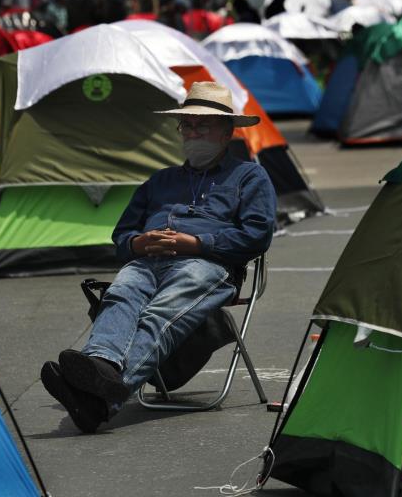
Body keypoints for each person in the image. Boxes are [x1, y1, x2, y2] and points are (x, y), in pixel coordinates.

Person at [40, 82, 277, 433]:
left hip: (209, 265)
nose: (193, 132)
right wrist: (139, 243)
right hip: (148, 261)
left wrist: (195, 243)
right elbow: (121, 236)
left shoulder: (249, 176)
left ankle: (98, 392)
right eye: (188, 125)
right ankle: (100, 373)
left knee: (158, 314)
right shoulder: (161, 180)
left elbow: (258, 235)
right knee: (120, 294)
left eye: (203, 125)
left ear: (228, 132)